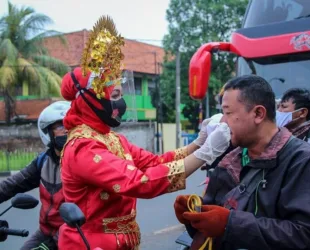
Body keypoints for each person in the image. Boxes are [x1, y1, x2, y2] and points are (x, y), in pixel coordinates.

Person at [58, 15, 231, 250]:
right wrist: (206, 154)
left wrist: (199, 144)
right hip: (91, 244)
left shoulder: (111, 138)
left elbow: (155, 162)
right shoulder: (83, 147)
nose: (121, 104)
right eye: (115, 97)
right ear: (93, 101)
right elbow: (139, 182)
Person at [174, 75, 310, 250]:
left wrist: (229, 223)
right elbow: (216, 228)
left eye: (228, 113)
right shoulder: (230, 160)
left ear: (258, 114)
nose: (222, 122)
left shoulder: (307, 161)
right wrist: (195, 215)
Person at [0, 101, 71, 250]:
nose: (66, 130)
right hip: (46, 233)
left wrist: (49, 245)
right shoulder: (43, 161)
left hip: (72, 236)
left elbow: (87, 210)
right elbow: (13, 184)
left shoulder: (82, 163)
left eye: (70, 125)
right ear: (47, 132)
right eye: (60, 126)